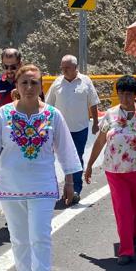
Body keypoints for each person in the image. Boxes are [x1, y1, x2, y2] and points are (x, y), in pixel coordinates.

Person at [0, 64, 82, 271]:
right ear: (16, 86)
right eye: (24, 82)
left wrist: (69, 182)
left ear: (41, 86)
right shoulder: (3, 114)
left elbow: (66, 150)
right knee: (19, 239)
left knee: (40, 238)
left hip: (43, 188)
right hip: (11, 188)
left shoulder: (53, 115)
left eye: (34, 83)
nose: (28, 87)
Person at [84, 75, 136, 265]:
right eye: (121, 94)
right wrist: (89, 165)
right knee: (122, 209)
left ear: (135, 94)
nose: (125, 98)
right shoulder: (110, 114)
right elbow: (100, 141)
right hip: (115, 171)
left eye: (129, 94)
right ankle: (126, 250)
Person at [46, 55, 100, 202]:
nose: (64, 70)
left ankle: (75, 189)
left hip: (79, 128)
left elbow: (93, 103)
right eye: (62, 68)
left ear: (75, 68)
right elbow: (48, 105)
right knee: (55, 158)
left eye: (67, 68)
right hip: (59, 129)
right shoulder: (57, 83)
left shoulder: (85, 81)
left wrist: (95, 122)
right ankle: (53, 189)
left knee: (76, 158)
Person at [0, 48, 22, 118]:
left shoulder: (28, 82)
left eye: (13, 67)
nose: (9, 70)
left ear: (20, 64)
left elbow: (39, 103)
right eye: (5, 66)